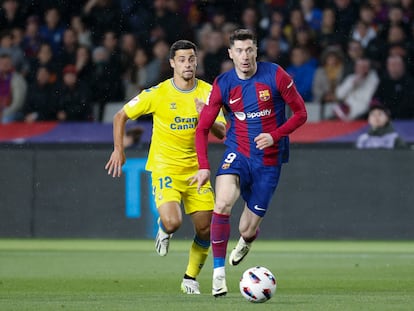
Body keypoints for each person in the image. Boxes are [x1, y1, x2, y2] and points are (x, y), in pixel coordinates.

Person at [191, 29, 307, 297]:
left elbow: (301, 113)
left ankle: (247, 240)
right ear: (230, 53)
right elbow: (203, 128)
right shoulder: (223, 83)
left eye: (249, 50)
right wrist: (204, 166)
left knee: (246, 227)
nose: (244, 56)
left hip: (269, 159)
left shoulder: (276, 75)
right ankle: (218, 275)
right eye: (239, 51)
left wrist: (275, 135)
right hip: (238, 151)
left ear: (256, 51)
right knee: (221, 204)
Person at [104, 40, 226, 295]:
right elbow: (120, 116)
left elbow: (223, 133)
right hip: (166, 168)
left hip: (196, 170)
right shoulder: (158, 93)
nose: (188, 64)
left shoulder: (208, 93)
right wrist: (119, 149)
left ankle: (190, 278)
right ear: (172, 63)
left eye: (191, 59)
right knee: (173, 222)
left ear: (197, 61)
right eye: (181, 59)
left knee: (206, 227)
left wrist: (208, 116)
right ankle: (164, 228)